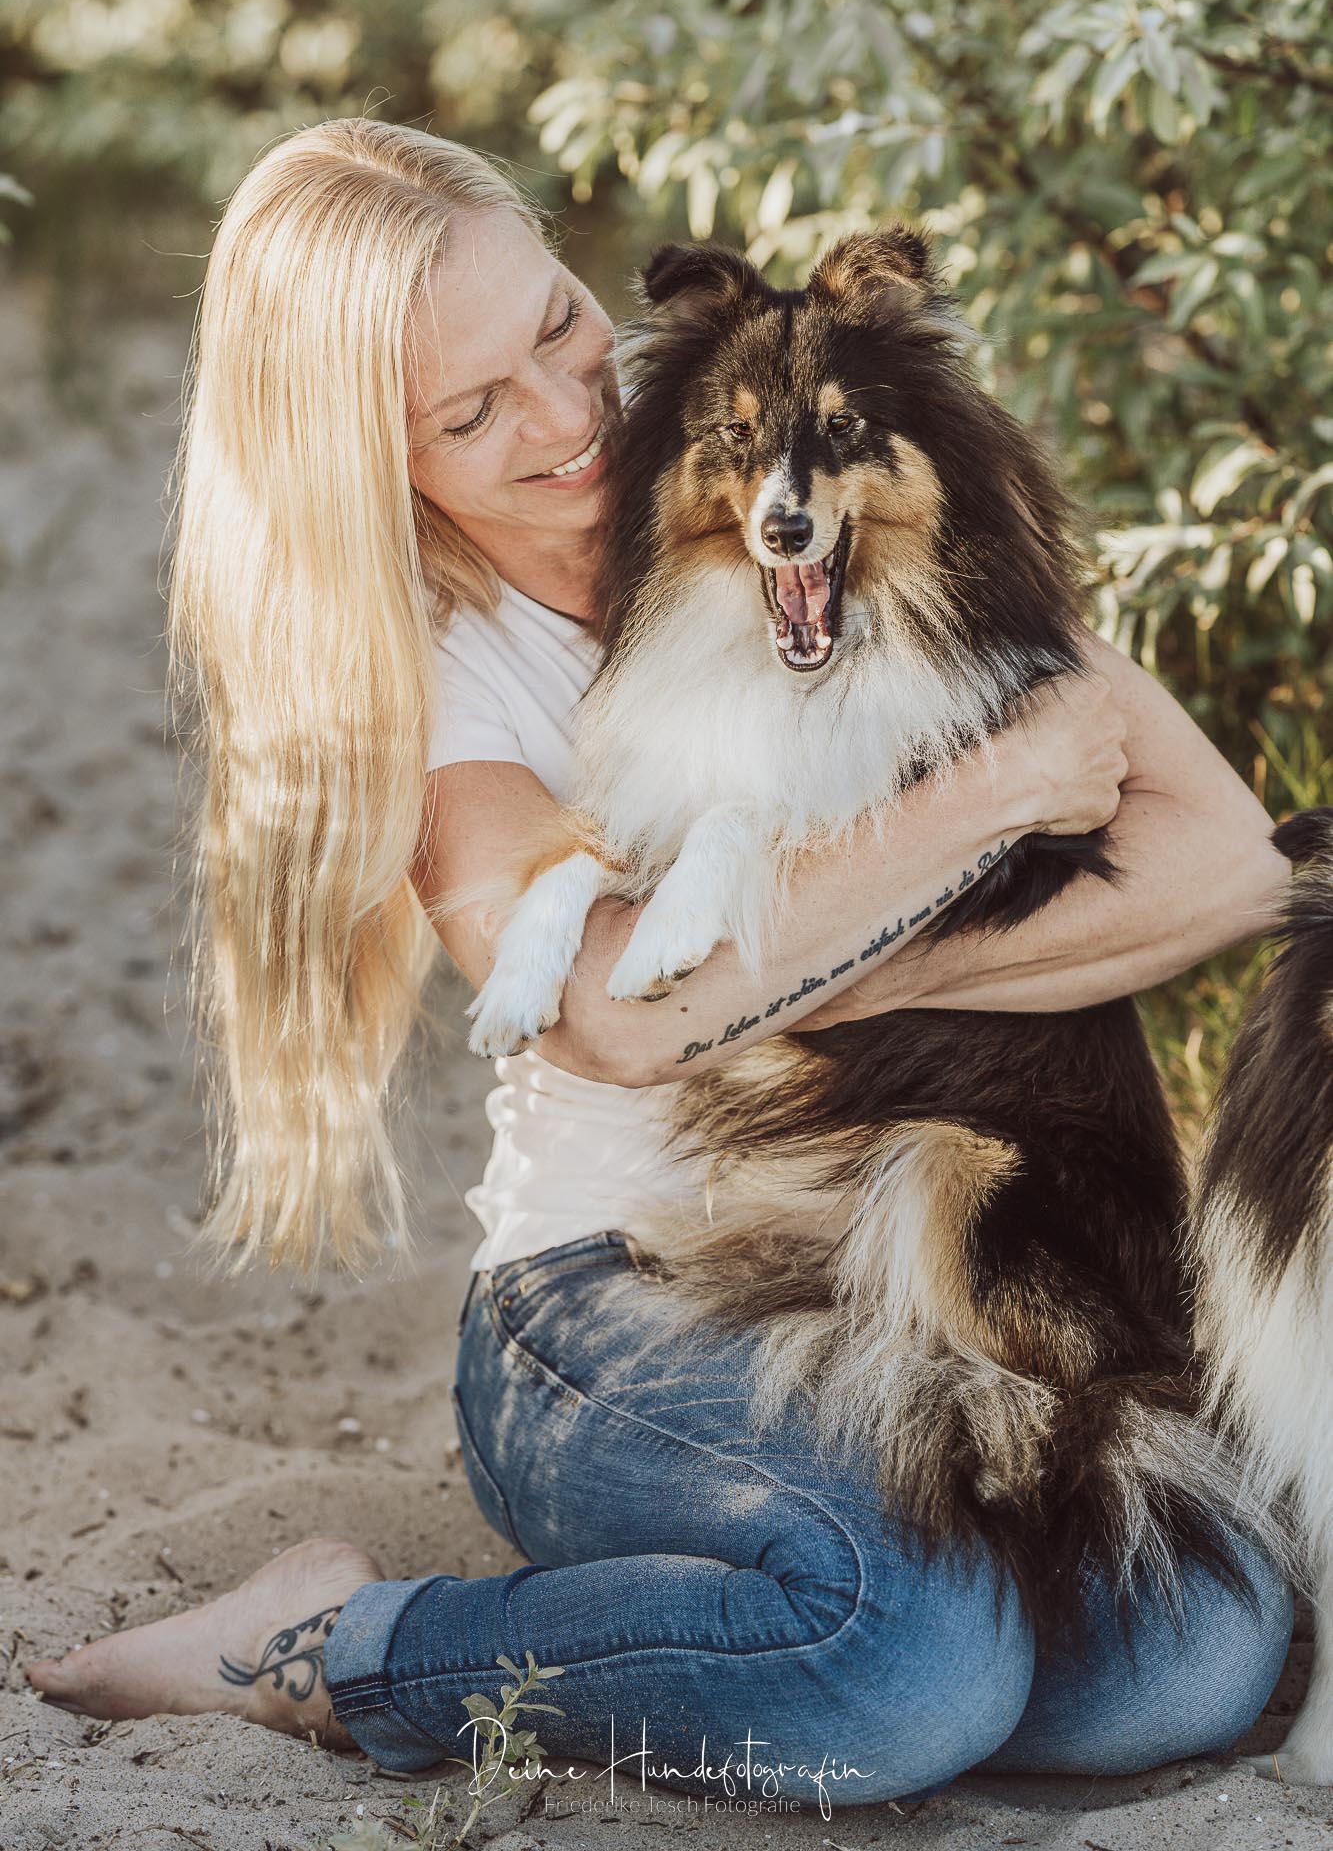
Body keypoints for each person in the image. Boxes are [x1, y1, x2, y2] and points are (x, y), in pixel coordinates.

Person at [27, 119, 1295, 1807]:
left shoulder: (779, 425)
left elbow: (1219, 864)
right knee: (908, 1668)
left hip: (895, 1266)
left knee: (1189, 1655)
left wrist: (813, 997)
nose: (568, 419)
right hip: (612, 1296)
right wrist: (974, 816)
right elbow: (622, 1022)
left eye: (557, 326)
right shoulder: (430, 662)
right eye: (472, 412)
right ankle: (343, 1642)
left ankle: (779, 1619)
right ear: (374, 459)